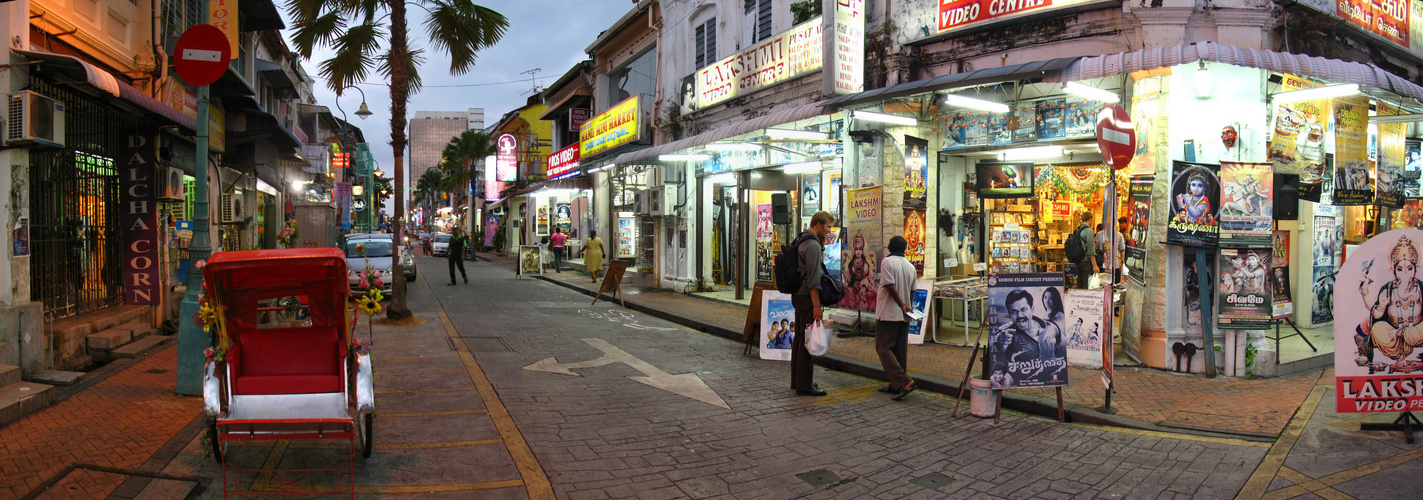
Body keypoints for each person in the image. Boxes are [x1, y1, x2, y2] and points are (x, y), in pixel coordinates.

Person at [791, 211, 835, 397]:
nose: (829, 231)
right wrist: (817, 306)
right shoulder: (813, 245)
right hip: (808, 297)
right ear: (818, 225)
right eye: (827, 227)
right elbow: (814, 280)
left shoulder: (800, 240)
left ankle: (797, 381)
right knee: (808, 341)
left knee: (801, 339)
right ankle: (805, 385)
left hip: (798, 295)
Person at [874, 236, 919, 400]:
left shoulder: (887, 262)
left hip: (888, 312)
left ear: (889, 247)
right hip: (904, 313)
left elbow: (890, 286)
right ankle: (897, 384)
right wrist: (908, 306)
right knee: (899, 350)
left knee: (883, 348)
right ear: (905, 249)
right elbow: (913, 290)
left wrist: (901, 305)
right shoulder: (910, 266)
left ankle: (904, 381)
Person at [1073, 212, 1098, 289]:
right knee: (1087, 286)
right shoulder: (1089, 231)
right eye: (1092, 219)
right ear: (1090, 219)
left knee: (1080, 284)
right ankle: (1086, 300)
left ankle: (1079, 300)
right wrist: (1095, 266)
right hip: (1086, 262)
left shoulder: (1078, 230)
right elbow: (1091, 251)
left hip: (1078, 261)